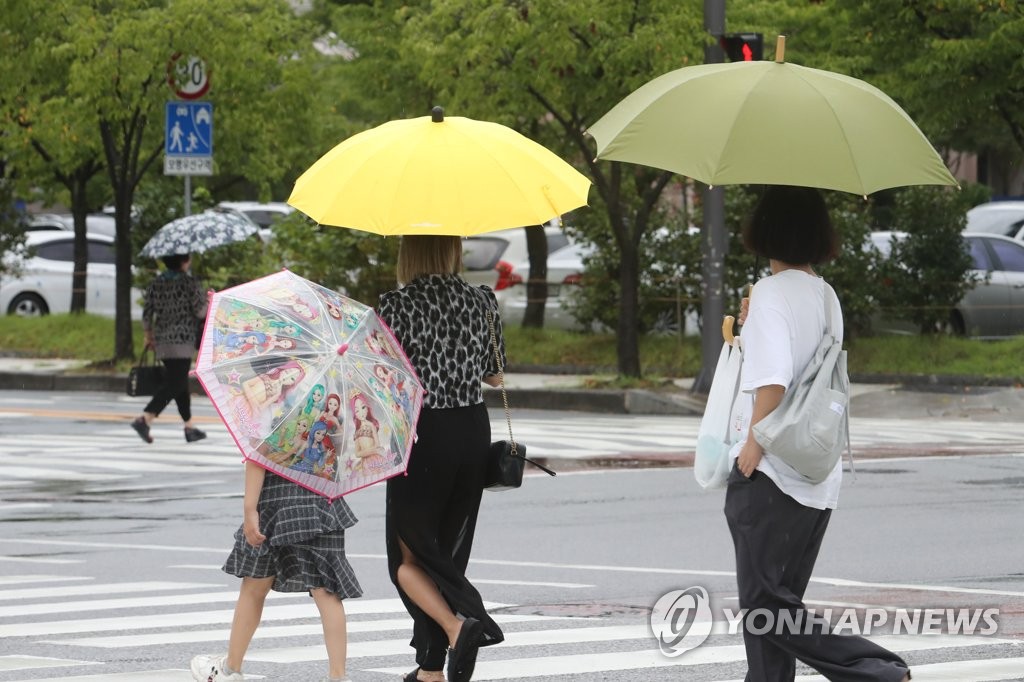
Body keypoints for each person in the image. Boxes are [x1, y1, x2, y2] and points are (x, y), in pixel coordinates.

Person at [727, 186, 911, 682]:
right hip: (816, 474)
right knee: (778, 610)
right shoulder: (826, 296)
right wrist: (752, 329)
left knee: (765, 607)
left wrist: (753, 444)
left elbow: (775, 379)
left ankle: (874, 669)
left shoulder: (769, 294)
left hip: (772, 471)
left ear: (765, 231)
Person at [377, 235, 506, 682]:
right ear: (452, 250)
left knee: (409, 559)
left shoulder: (395, 305)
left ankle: (461, 625)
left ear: (409, 252)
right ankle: (431, 667)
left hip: (423, 431)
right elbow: (495, 373)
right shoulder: (482, 300)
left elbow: (386, 377)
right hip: (472, 429)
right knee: (448, 548)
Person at [189, 461, 360, 682]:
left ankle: (230, 669)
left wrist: (250, 509)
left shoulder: (271, 424)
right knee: (326, 591)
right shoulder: (336, 424)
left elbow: (259, 456)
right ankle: (338, 676)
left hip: (274, 500)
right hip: (322, 499)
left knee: (254, 586)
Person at [131, 253, 208, 444]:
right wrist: (208, 298)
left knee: (179, 383)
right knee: (176, 383)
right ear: (183, 261)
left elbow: (147, 313)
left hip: (163, 340)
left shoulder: (156, 283)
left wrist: (148, 335)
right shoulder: (189, 283)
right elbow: (200, 311)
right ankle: (145, 418)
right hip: (183, 341)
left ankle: (189, 427)